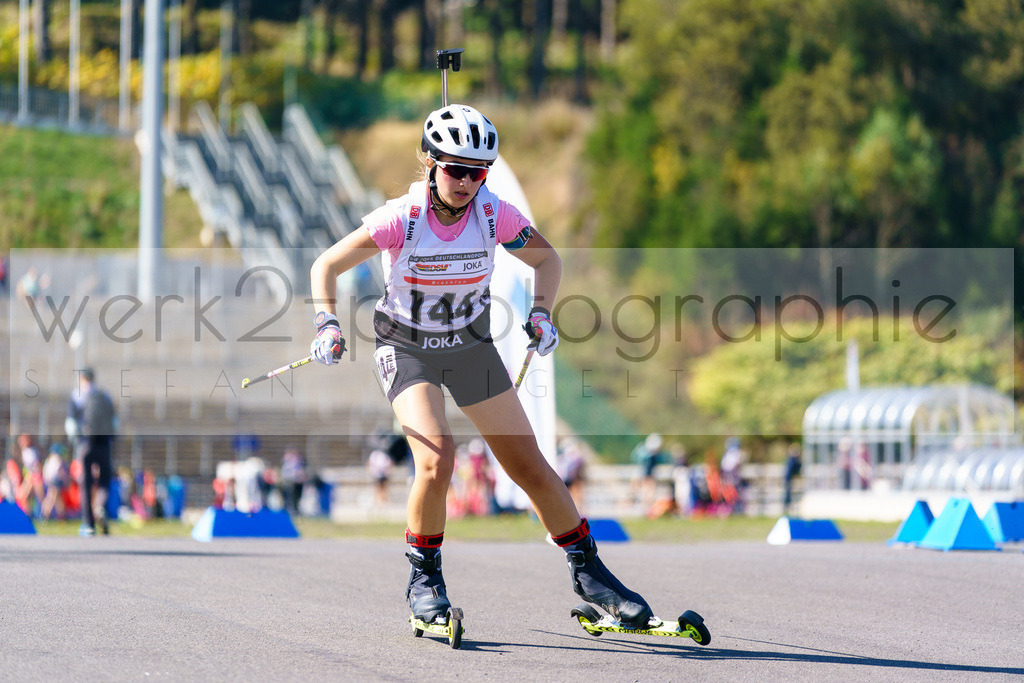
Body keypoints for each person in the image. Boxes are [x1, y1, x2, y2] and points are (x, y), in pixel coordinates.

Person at [308, 103, 654, 629]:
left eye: (478, 171)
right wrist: (327, 324)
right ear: (429, 162)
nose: (467, 182)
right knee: (437, 458)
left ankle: (591, 574)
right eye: (455, 169)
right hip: (407, 347)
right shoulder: (402, 218)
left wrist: (541, 313)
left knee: (529, 465)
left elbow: (547, 259)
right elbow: (326, 264)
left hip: (470, 346)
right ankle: (425, 579)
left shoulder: (494, 214)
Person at [67, 368, 117, 536]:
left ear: (82, 379)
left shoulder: (77, 396)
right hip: (104, 444)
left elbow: (71, 425)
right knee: (104, 480)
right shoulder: (104, 396)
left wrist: (77, 442)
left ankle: (88, 524)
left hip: (86, 444)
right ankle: (100, 507)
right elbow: (115, 422)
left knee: (86, 483)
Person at [631, 433, 665, 507]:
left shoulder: (653, 456)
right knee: (642, 490)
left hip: (648, 475)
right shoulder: (644, 454)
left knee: (649, 490)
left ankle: (647, 506)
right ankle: (641, 504)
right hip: (644, 474)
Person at [782, 443, 802, 515]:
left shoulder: (790, 459)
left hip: (788, 478)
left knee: (789, 493)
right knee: (788, 493)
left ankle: (787, 506)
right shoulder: (793, 460)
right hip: (789, 478)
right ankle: (787, 506)